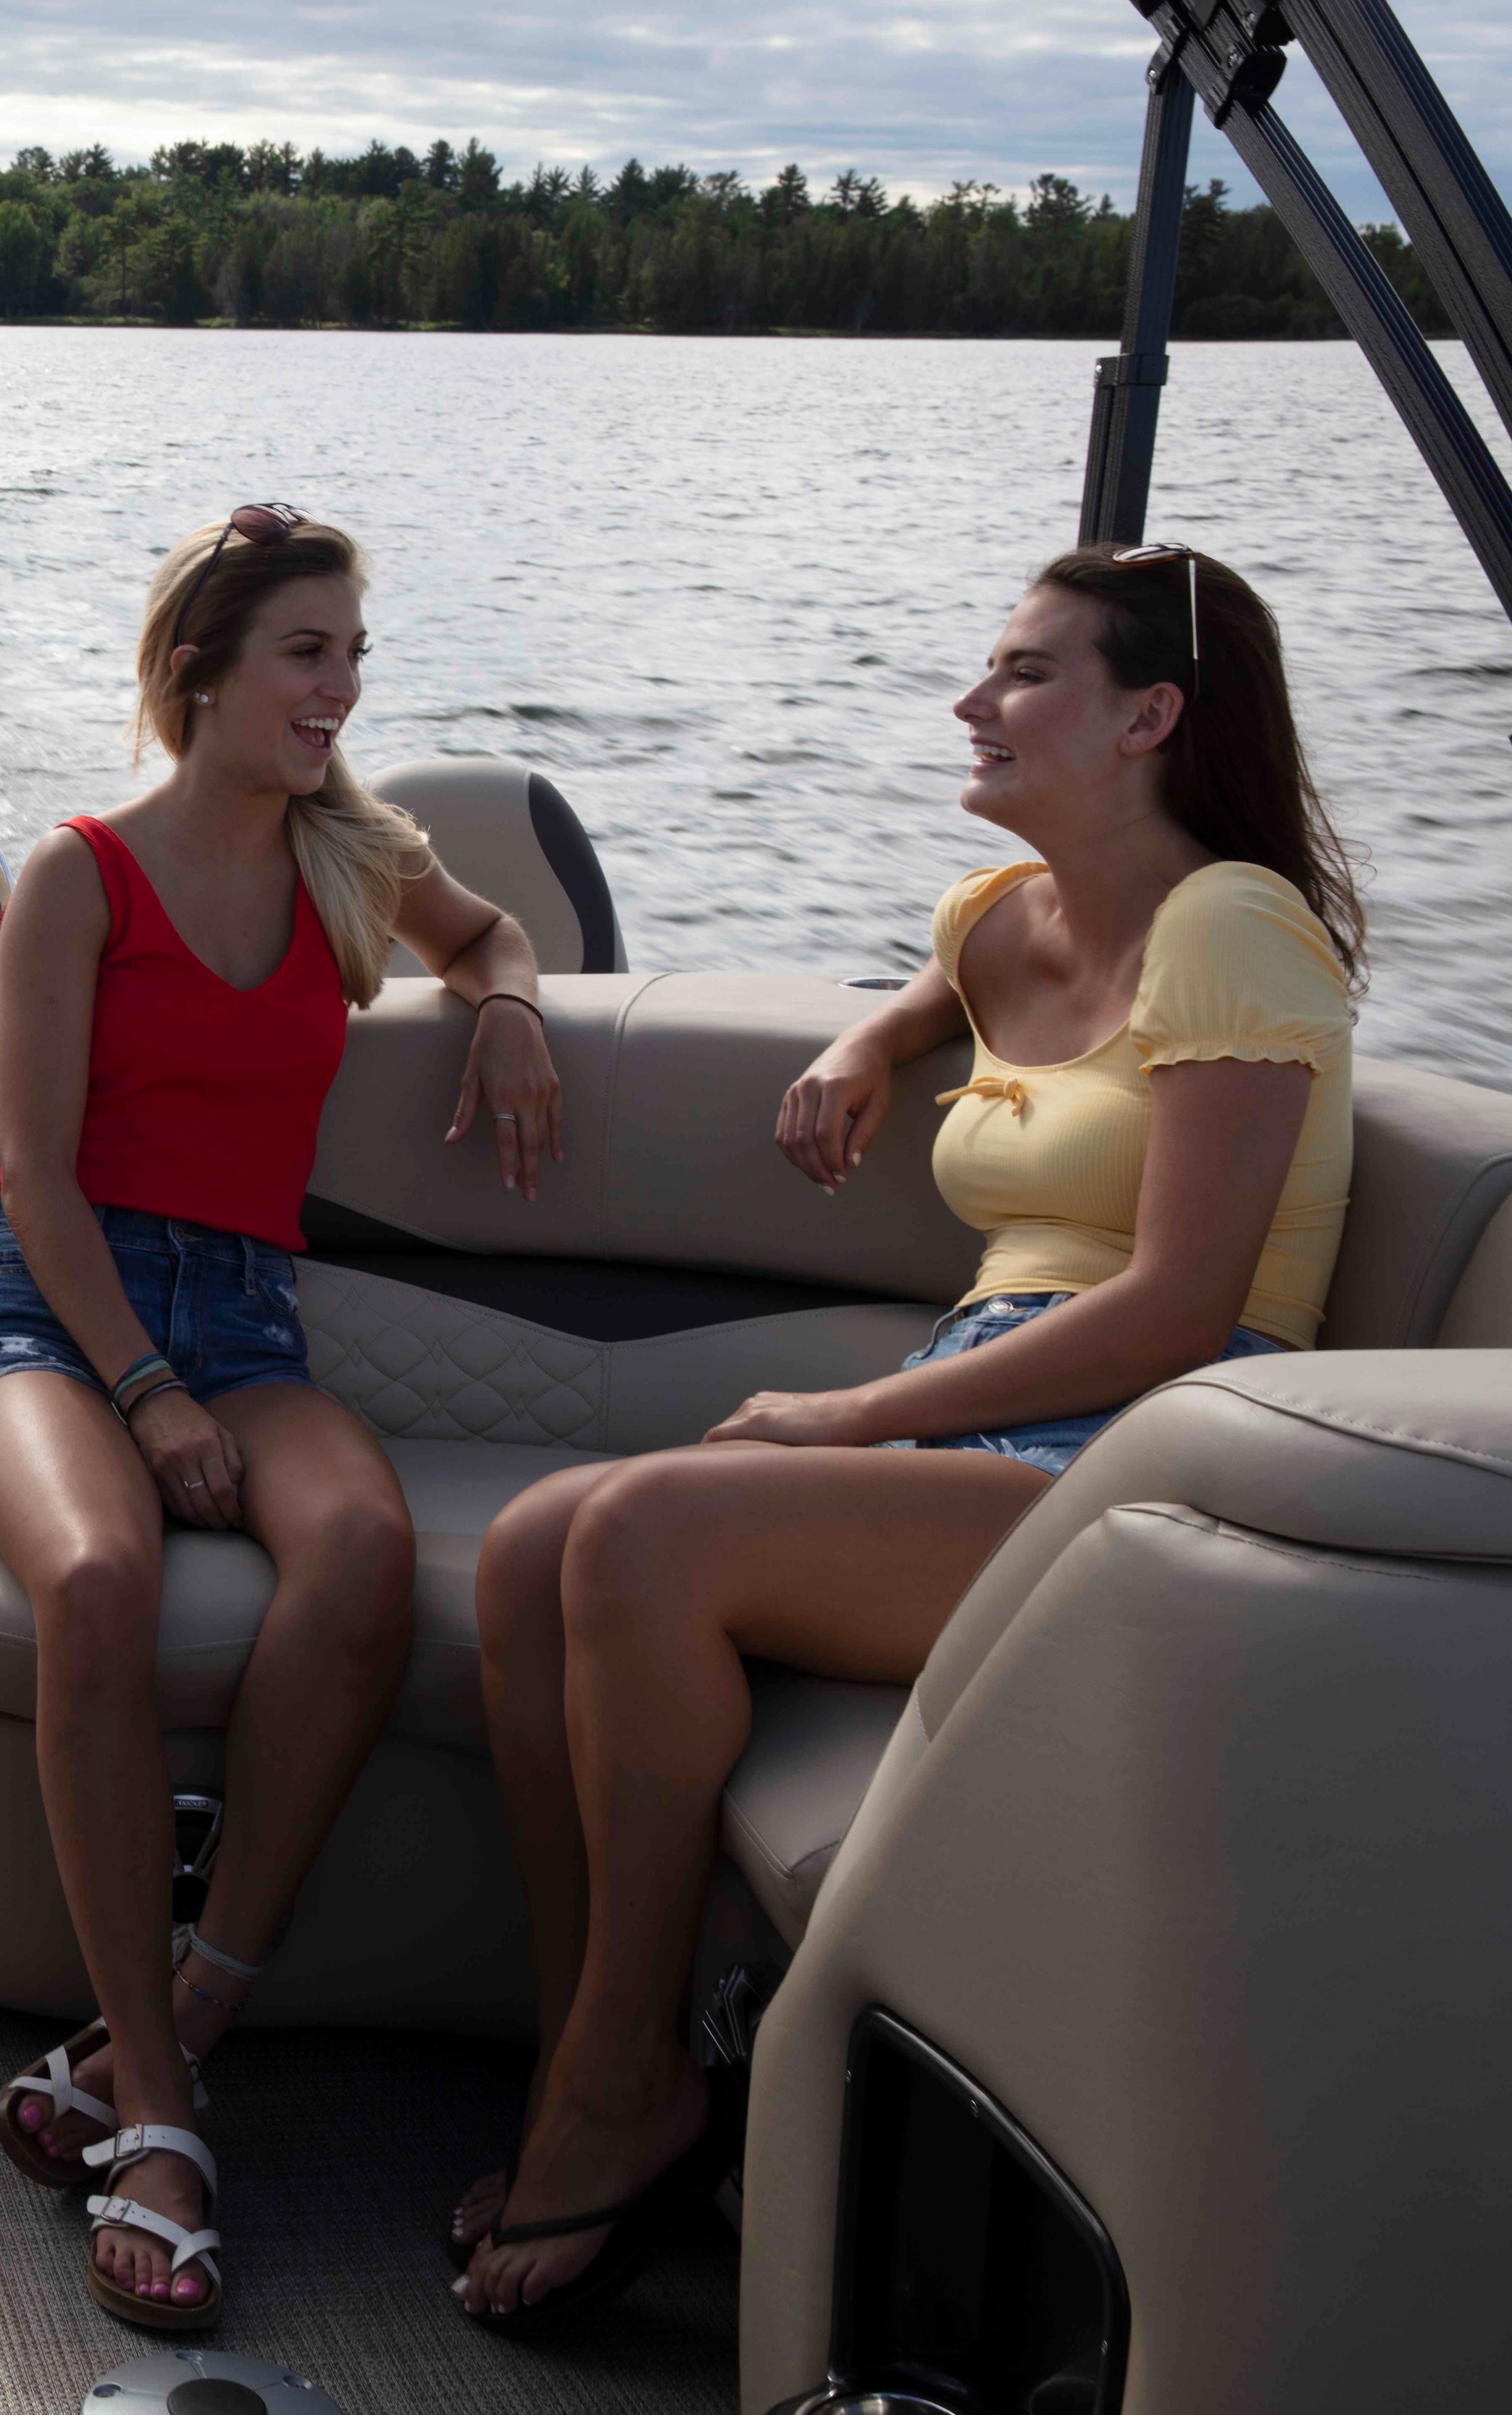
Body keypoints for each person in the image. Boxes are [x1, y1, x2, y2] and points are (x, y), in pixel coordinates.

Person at [449, 543, 1363, 2327]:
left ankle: (625, 2085)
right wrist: (870, 1038)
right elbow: (961, 981)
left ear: (1150, 717)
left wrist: (853, 1414)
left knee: (638, 1533)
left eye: (1024, 672)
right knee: (526, 1544)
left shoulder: (1233, 927)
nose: (971, 699)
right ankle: (597, 2041)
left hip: (1146, 1458)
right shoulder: (1005, 912)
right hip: (1002, 1395)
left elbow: (1182, 1303)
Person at [0, 506, 565, 2329]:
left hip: (253, 1312)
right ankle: (154, 2117)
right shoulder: (77, 874)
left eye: (353, 655)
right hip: (58, 1318)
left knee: (367, 1548)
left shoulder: (354, 855)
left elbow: (495, 931)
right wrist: (139, 1391)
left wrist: (515, 1009)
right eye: (308, 653)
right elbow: (32, 1177)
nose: (342, 689)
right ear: (204, 670)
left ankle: (187, 2010)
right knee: (95, 1582)